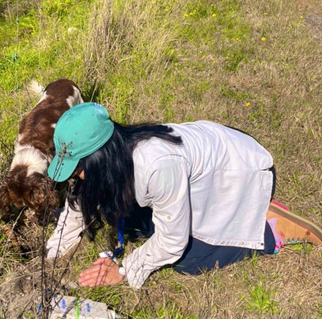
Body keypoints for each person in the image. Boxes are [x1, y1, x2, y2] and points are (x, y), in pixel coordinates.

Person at [45, 103, 322, 289]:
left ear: (99, 159)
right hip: (220, 148)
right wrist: (54, 250)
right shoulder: (118, 152)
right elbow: (80, 198)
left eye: (78, 167)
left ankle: (269, 229)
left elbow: (172, 242)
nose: (75, 175)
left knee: (188, 259)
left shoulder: (157, 164)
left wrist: (125, 271)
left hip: (245, 171)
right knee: (136, 220)